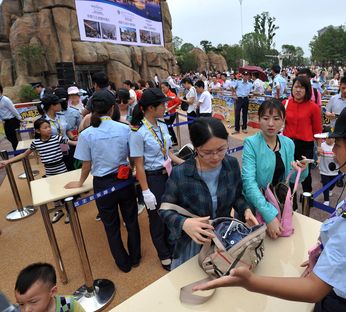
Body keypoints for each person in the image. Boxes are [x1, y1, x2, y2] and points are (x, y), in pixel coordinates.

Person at [195, 104, 346, 312]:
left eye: (337, 144)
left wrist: (250, 282)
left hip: (345, 303)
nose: (331, 151)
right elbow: (250, 182)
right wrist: (326, 258)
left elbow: (315, 289)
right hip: (344, 284)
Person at [159, 118, 258, 269]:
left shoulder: (230, 165)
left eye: (221, 149)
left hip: (223, 237)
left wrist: (245, 209)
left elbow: (237, 196)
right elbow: (165, 209)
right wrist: (184, 223)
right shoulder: (181, 173)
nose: (216, 157)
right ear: (196, 148)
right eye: (208, 152)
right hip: (193, 242)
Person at [65, 89, 141, 273]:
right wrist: (130, 169)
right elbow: (132, 157)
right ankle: (136, 257)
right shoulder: (124, 128)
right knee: (131, 220)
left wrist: (80, 182)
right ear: (112, 108)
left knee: (111, 225)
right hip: (124, 181)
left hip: (102, 184)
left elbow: (86, 165)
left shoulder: (87, 134)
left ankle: (122, 263)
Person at [129, 88, 184, 271]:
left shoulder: (162, 125)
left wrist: (185, 163)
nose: (165, 106)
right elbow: (138, 164)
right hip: (153, 179)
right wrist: (146, 191)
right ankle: (164, 254)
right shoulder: (138, 132)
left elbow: (168, 154)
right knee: (157, 219)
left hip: (168, 175)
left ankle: (173, 245)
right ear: (151, 108)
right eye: (162, 104)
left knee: (172, 212)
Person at [242, 99, 307, 239]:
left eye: (276, 119)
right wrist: (269, 216)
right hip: (256, 207)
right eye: (266, 118)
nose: (271, 124)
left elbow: (294, 179)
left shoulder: (288, 143)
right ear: (259, 119)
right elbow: (249, 183)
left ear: (283, 120)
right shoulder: (251, 143)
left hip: (279, 204)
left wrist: (302, 169)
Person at [0, 118, 76, 224]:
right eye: (45, 128)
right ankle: (58, 210)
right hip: (49, 169)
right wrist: (8, 161)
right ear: (37, 131)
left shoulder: (57, 138)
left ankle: (69, 211)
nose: (49, 129)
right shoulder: (36, 143)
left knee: (65, 190)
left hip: (61, 167)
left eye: (49, 127)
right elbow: (24, 154)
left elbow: (71, 142)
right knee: (53, 191)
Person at [283, 76, 322, 203]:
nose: (298, 90)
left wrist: (320, 147)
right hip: (287, 143)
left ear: (307, 90)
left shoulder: (313, 107)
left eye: (301, 87)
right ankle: (290, 201)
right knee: (287, 172)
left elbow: (317, 129)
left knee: (305, 174)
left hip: (305, 145)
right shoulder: (285, 104)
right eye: (296, 87)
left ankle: (307, 198)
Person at [14, 263, 85, 312]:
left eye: (33, 302)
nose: (26, 310)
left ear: (52, 292)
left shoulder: (67, 304)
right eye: (21, 304)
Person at [319, 134, 339, 206]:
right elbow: (318, 154)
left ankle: (330, 189)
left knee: (333, 184)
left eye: (333, 138)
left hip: (335, 170)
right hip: (324, 170)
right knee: (325, 185)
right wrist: (318, 153)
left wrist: (337, 157)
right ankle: (326, 200)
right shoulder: (322, 145)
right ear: (326, 138)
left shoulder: (337, 146)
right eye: (329, 138)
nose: (331, 140)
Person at [0, 84, 21, 150]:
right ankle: (18, 151)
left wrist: (20, 119)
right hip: (6, 122)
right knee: (9, 137)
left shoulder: (5, 99)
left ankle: (18, 153)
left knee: (14, 137)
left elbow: (13, 110)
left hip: (12, 121)